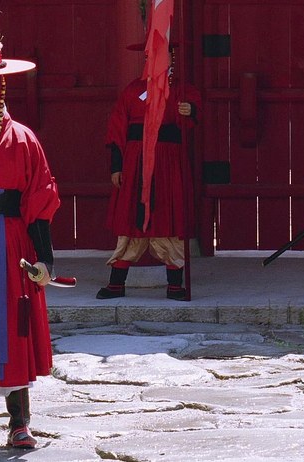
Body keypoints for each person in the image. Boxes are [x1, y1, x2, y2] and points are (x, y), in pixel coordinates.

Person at [96, 43, 200, 301]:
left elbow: (191, 121)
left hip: (168, 163)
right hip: (135, 163)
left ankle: (174, 285)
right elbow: (117, 129)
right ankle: (116, 283)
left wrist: (189, 110)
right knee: (131, 220)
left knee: (168, 218)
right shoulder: (132, 90)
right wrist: (117, 166)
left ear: (171, 59)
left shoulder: (181, 90)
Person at [0, 44, 61, 449]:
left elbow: (39, 201)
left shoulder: (22, 139)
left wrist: (45, 259)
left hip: (9, 244)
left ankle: (19, 421)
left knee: (13, 328)